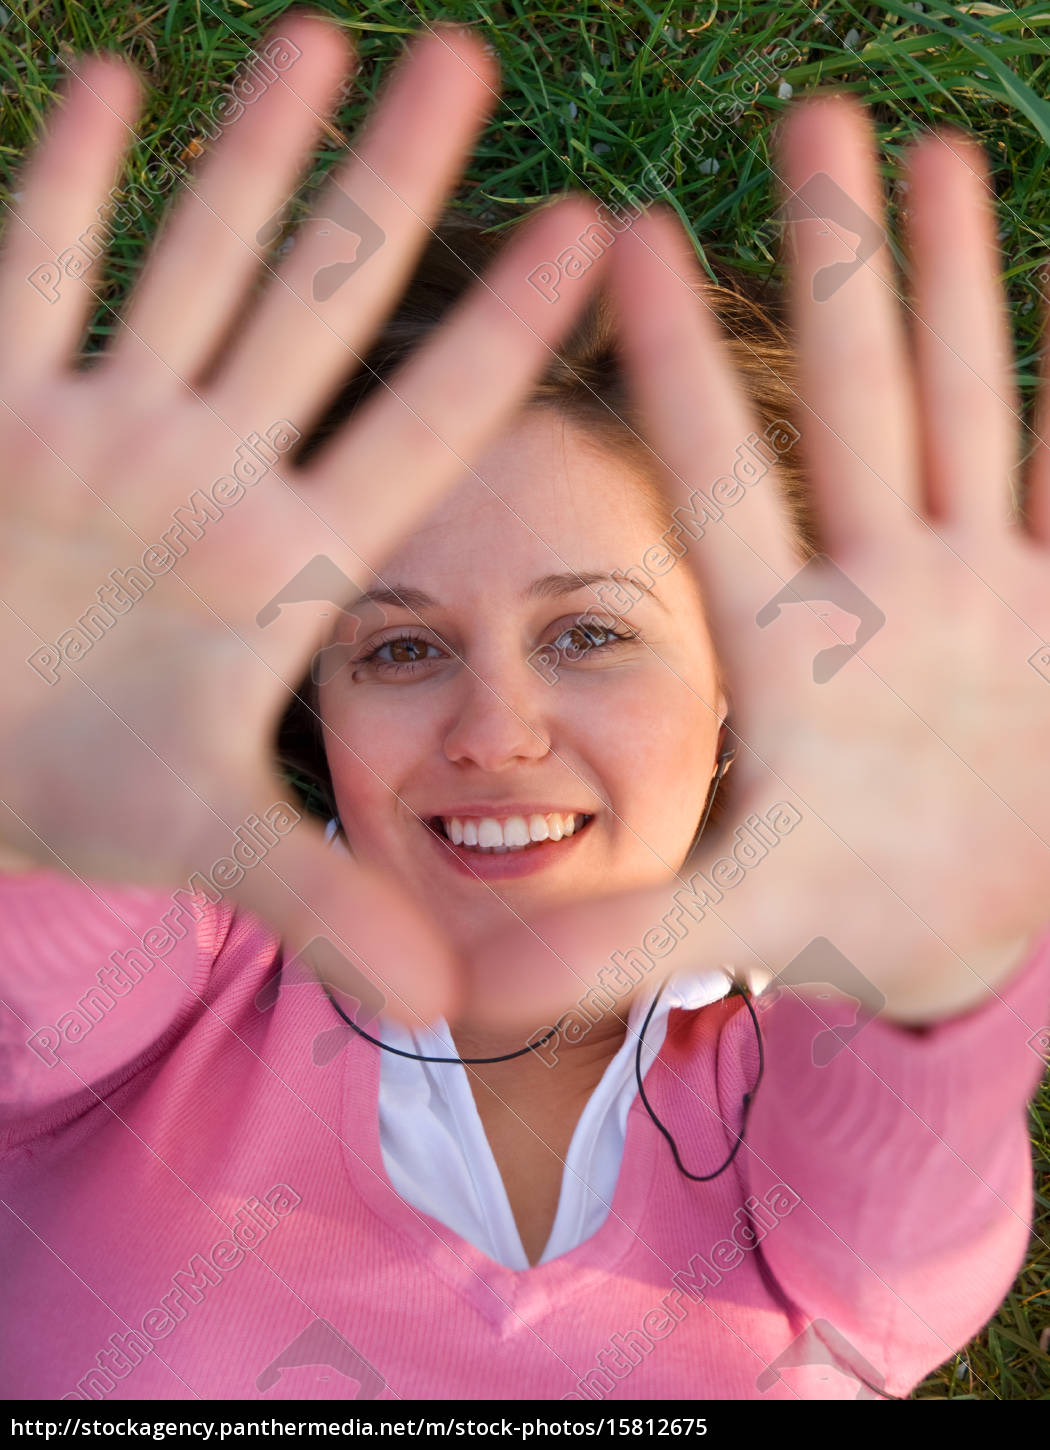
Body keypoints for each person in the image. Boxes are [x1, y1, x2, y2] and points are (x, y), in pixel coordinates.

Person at [1, 10, 1048, 1403]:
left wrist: (924, 992)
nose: (493, 729)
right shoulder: (169, 1001)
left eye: (588, 632)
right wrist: (41, 810)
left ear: (741, 678)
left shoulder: (824, 1115)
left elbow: (911, 1214)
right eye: (397, 649)